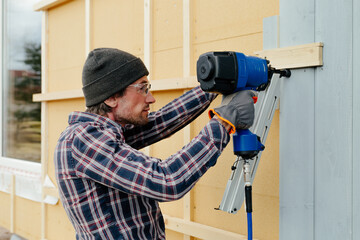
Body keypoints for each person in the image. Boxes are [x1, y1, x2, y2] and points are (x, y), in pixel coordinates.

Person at [54, 48, 255, 240]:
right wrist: (223, 122)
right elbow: (168, 181)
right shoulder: (84, 140)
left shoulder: (106, 133)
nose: (151, 98)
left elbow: (161, 123)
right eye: (142, 89)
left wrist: (214, 85)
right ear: (112, 97)